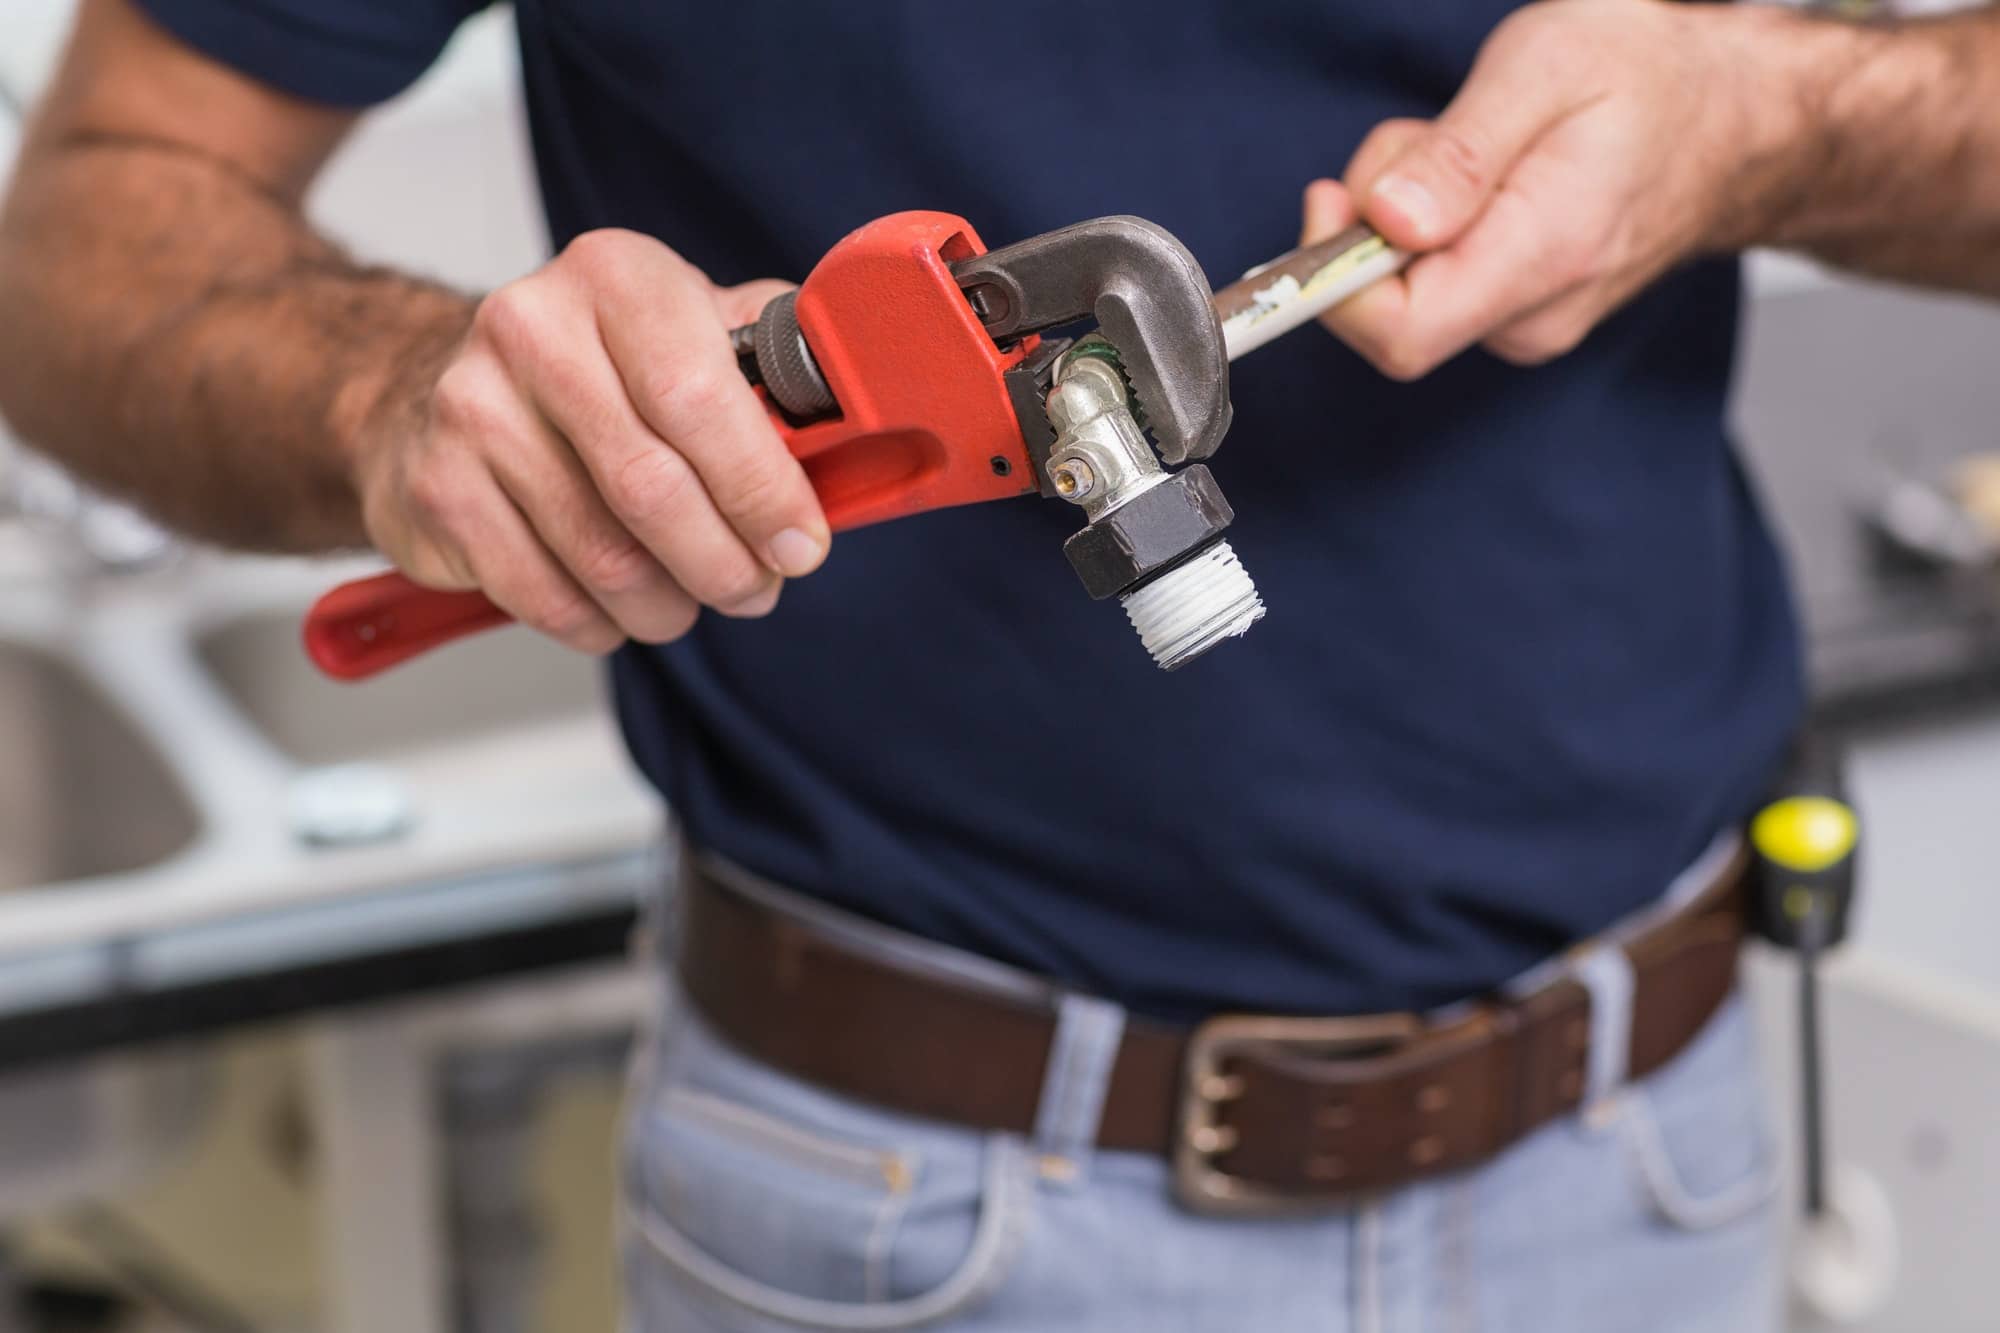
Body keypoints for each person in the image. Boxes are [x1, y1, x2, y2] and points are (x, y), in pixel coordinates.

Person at [2, 0, 1995, 1327]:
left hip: (1654, 1162)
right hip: (913, 1206)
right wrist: (397, 395)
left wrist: (1777, 122)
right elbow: (91, 231)